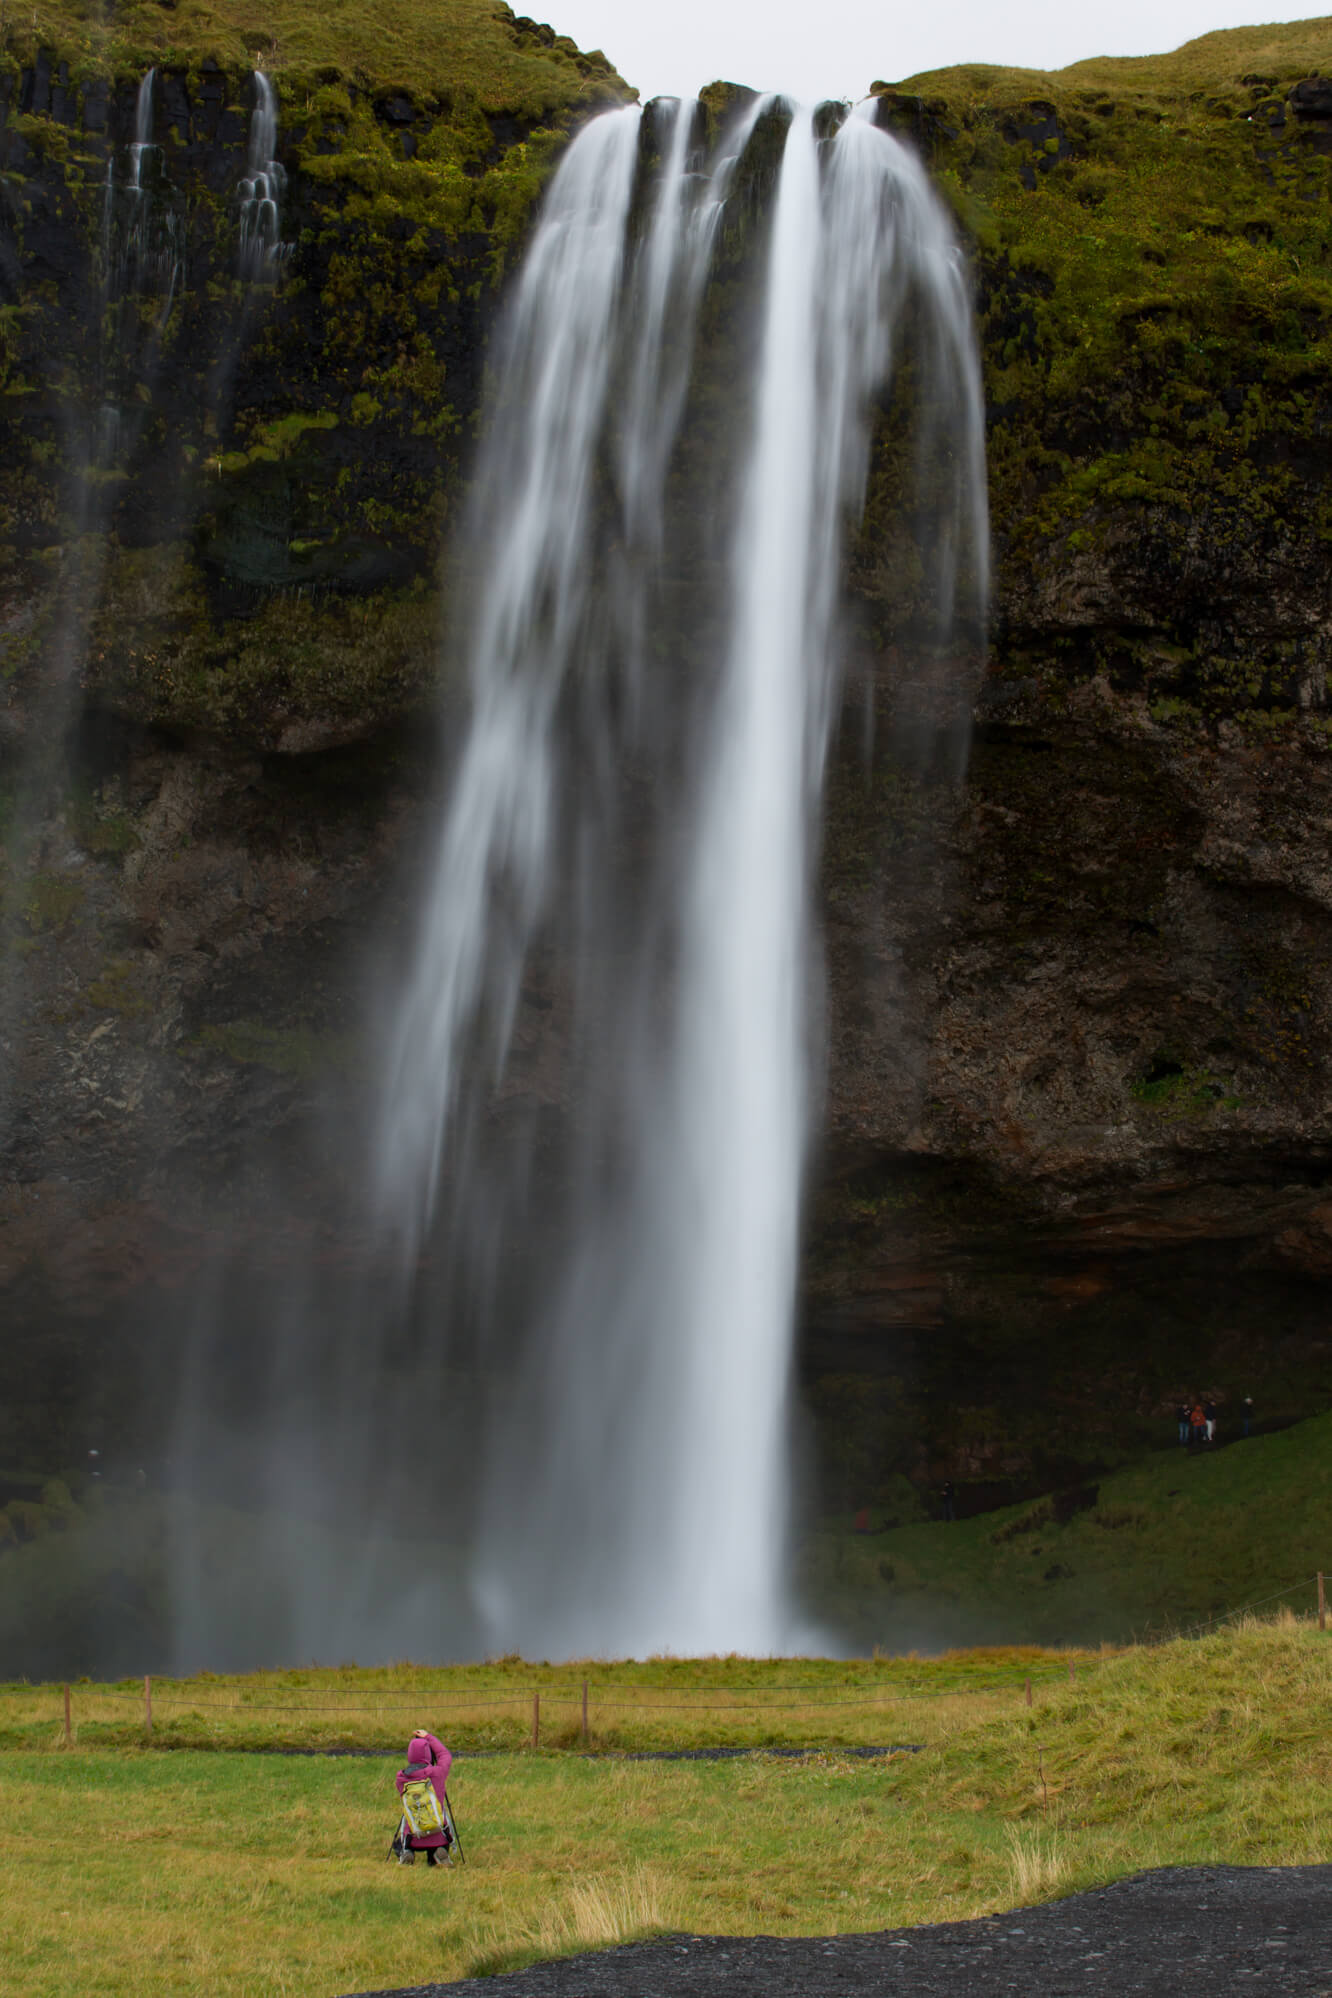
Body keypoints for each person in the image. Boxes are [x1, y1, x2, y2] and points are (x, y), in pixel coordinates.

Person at [395, 1729, 453, 1867]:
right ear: (428, 1753)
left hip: (414, 1835)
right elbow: (445, 1755)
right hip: (438, 1834)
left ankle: (407, 1852)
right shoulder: (437, 1773)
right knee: (443, 1815)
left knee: (406, 1818)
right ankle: (439, 1851)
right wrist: (429, 1737)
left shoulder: (401, 1778)